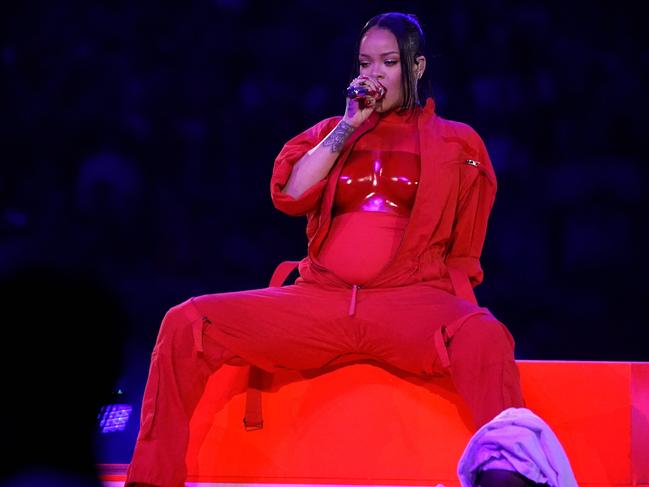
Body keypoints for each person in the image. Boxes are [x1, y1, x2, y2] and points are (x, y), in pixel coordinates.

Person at [126, 12, 575, 487]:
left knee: (485, 335)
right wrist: (346, 127)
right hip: (320, 301)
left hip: (407, 302)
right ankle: (151, 479)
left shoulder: (458, 142)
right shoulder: (328, 132)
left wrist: (451, 308)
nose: (373, 74)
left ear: (417, 68)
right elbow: (290, 195)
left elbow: (465, 250)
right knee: (187, 322)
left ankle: (518, 478)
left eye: (388, 62)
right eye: (365, 62)